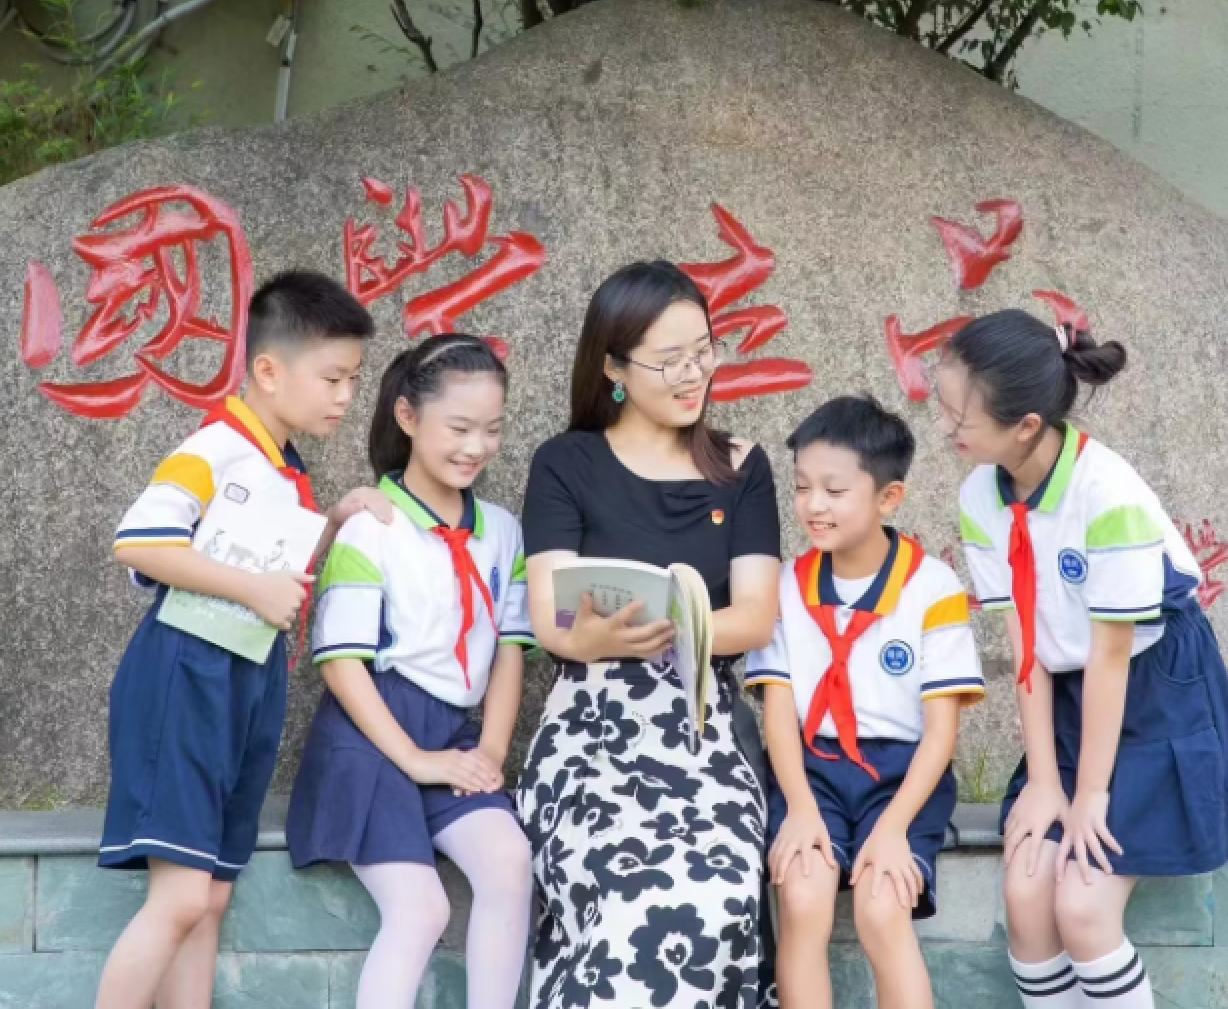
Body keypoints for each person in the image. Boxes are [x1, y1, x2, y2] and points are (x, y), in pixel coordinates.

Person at [937, 309, 1228, 1008]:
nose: (947, 427)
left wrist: (1089, 798)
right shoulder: (979, 494)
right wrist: (1046, 781)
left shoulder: (1107, 493)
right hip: (1073, 700)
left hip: (1153, 691)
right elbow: (1024, 642)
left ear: (1025, 425)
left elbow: (1112, 658)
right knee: (1026, 893)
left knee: (1081, 907)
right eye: (944, 405)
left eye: (961, 416)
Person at [96, 270, 380, 1009]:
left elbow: (269, 566)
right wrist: (254, 589)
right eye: (333, 378)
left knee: (211, 896)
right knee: (181, 897)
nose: (346, 396)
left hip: (244, 678)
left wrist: (334, 520)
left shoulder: (284, 467)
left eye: (353, 379)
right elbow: (138, 541)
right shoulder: (216, 448)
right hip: (186, 675)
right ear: (268, 370)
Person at [518, 261, 783, 1009]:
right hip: (591, 731)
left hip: (702, 723)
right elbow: (552, 620)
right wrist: (593, 637)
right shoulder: (565, 462)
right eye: (669, 361)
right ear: (613, 368)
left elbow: (754, 616)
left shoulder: (741, 467)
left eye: (702, 351)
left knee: (719, 890)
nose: (693, 374)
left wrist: (669, 629)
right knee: (627, 896)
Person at [285, 335, 534, 1009]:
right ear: (407, 416)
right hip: (370, 738)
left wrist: (490, 752)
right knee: (420, 908)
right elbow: (341, 663)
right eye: (459, 427)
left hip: (454, 735)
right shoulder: (373, 525)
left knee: (510, 861)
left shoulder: (504, 531)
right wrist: (415, 759)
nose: (476, 446)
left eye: (492, 428)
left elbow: (509, 650)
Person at [749, 395, 984, 1009]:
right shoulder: (784, 585)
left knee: (882, 908)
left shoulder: (931, 587)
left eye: (834, 490)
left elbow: (941, 733)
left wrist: (895, 827)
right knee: (802, 897)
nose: (814, 505)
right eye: (802, 487)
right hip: (811, 771)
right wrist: (800, 808)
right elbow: (778, 712)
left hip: (901, 777)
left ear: (888, 498)